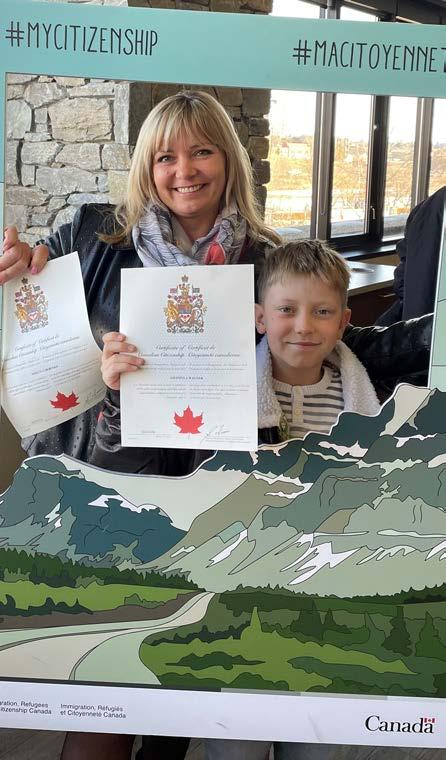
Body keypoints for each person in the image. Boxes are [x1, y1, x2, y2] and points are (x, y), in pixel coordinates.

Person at [0, 90, 433, 759]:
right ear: (147, 166)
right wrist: (18, 274)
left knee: (177, 689)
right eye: (165, 156)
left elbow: (337, 342)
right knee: (100, 702)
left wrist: (436, 332)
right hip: (110, 486)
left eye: (201, 150)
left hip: (212, 501)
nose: (184, 170)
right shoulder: (91, 237)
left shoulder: (265, 258)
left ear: (227, 160)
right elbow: (36, 328)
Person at [94, 240, 381, 760]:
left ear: (344, 321)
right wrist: (121, 398)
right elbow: (149, 470)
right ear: (259, 317)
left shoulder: (367, 408)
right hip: (238, 609)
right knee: (235, 746)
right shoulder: (218, 392)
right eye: (287, 309)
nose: (303, 326)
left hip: (328, 612)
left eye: (321, 312)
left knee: (316, 747)